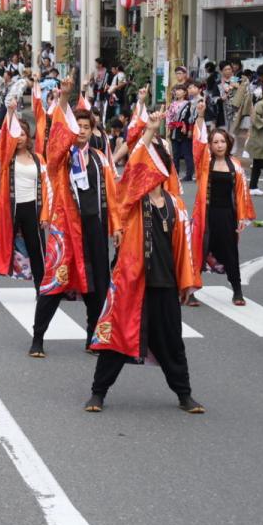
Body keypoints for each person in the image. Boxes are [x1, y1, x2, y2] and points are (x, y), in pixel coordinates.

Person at [85, 110, 204, 414]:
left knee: (173, 344)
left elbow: (184, 249)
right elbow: (135, 162)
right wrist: (150, 132)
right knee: (116, 340)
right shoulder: (132, 202)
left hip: (165, 283)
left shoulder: (176, 206)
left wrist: (186, 283)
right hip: (133, 281)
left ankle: (184, 394)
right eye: (149, 163)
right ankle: (98, 393)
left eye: (158, 163)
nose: (151, 168)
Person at [31, 80, 121, 357]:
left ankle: (92, 336)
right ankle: (38, 337)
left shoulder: (100, 159)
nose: (81, 131)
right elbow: (57, 136)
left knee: (97, 284)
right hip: (66, 229)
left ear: (92, 130)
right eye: (77, 126)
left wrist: (117, 227)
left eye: (85, 127)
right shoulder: (62, 157)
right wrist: (65, 98)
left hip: (95, 227)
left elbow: (113, 196)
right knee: (54, 283)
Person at [0, 111, 48, 304]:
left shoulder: (38, 159)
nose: (19, 138)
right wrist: (9, 113)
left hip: (32, 210)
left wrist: (45, 214)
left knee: (37, 252)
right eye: (16, 135)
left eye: (23, 134)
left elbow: (46, 187)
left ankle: (40, 291)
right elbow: (2, 143)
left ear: (29, 137)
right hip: (9, 210)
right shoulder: (6, 158)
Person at [191, 125, 255, 305]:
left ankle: (237, 290)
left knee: (231, 254)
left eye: (222, 142)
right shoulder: (205, 163)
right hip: (206, 214)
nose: (219, 145)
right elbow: (197, 146)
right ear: (210, 145)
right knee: (199, 253)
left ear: (228, 143)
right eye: (215, 142)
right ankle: (190, 291)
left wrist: (242, 217)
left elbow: (242, 193)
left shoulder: (235, 165)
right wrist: (201, 118)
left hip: (227, 215)